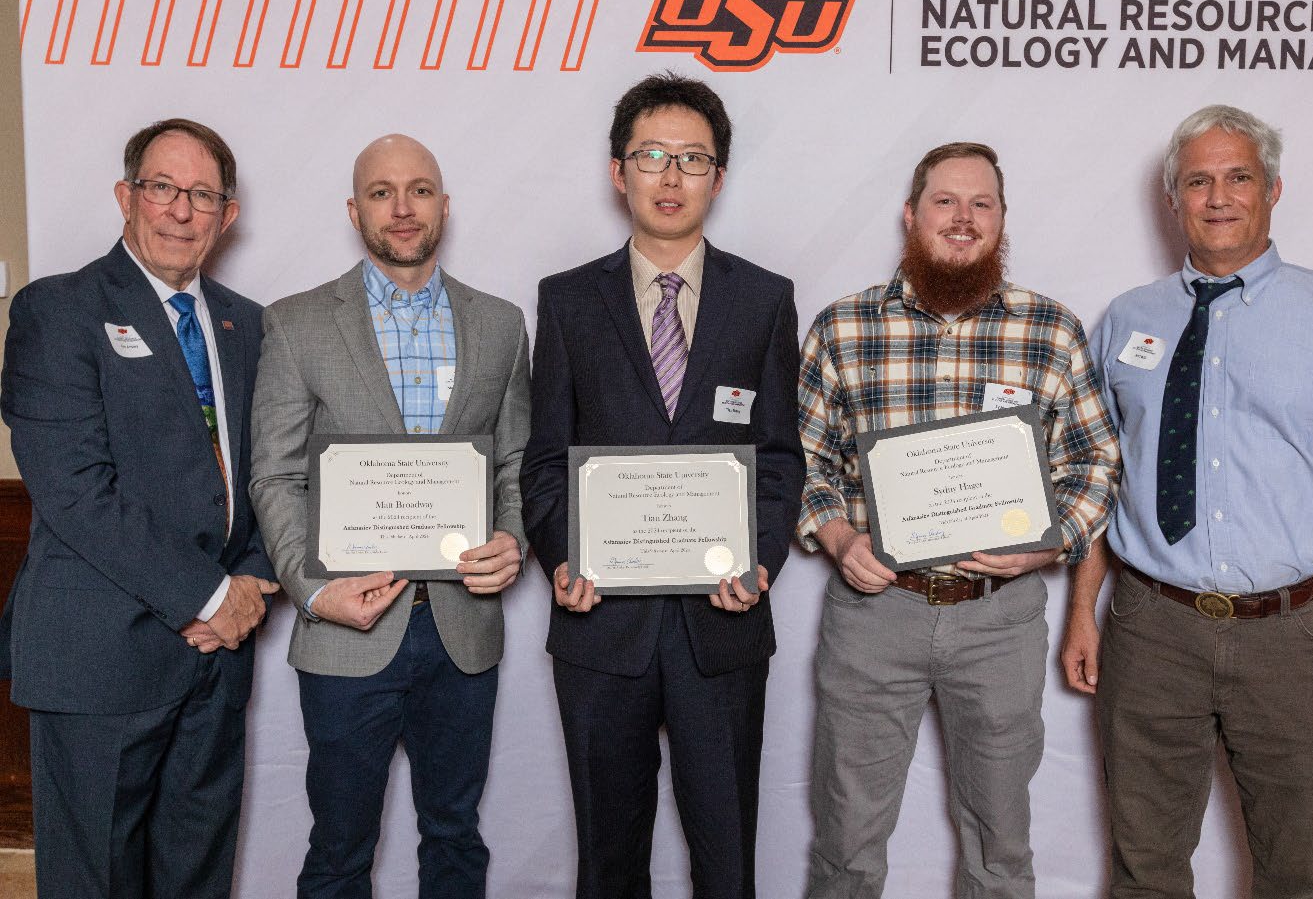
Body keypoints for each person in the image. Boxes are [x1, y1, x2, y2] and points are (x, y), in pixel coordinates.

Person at [1060, 104, 1313, 898]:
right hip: (1151, 631)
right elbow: (1099, 473)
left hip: (1300, 640)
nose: (1218, 196)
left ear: (1273, 190)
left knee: (1299, 875)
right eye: (1198, 180)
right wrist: (1084, 610)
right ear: (1174, 199)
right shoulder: (1127, 320)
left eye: (1238, 177)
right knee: (1144, 872)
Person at [797, 142, 1121, 899]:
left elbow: (1095, 464)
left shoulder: (1051, 329)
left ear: (1002, 221)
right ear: (912, 215)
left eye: (982, 204)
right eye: (945, 201)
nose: (963, 218)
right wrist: (840, 538)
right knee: (846, 841)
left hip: (999, 619)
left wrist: (1044, 548)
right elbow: (802, 463)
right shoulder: (843, 328)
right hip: (876, 612)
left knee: (1000, 845)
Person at [519, 72, 803, 899]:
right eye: (651, 155)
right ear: (619, 171)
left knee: (727, 863)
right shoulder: (568, 300)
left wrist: (759, 565)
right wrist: (563, 559)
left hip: (724, 625)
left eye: (692, 159)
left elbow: (779, 457)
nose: (671, 177)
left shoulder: (764, 298)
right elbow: (545, 458)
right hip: (601, 625)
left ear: (718, 176)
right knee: (609, 863)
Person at [0, 118, 280, 898]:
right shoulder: (58, 310)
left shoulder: (247, 324)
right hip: (100, 658)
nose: (180, 210)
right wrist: (211, 593)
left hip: (217, 658)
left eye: (202, 194)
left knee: (198, 872)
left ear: (228, 214)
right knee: (97, 880)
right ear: (127, 197)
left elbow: (268, 475)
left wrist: (251, 583)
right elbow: (76, 491)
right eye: (162, 188)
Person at [248, 134, 530, 899]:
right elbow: (273, 474)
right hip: (345, 634)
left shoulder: (501, 324)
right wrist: (313, 591)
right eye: (381, 192)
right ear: (354, 210)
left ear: (444, 205)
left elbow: (512, 466)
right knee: (340, 849)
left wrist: (513, 539)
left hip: (462, 632)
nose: (402, 208)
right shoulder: (296, 323)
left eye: (419, 190)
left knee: (455, 836)